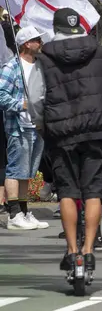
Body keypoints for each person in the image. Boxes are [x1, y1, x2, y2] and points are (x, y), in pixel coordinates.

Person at [27, 8, 102, 274]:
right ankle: (89, 251)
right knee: (94, 191)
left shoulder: (44, 57)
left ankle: (72, 251)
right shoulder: (101, 52)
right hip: (97, 132)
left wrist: (41, 123)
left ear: (55, 28)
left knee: (68, 191)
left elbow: (36, 98)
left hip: (62, 133)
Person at [0, 27, 47, 230]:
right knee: (16, 170)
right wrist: (22, 104)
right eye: (37, 40)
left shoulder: (40, 67)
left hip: (37, 126)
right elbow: (1, 94)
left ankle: (24, 212)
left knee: (27, 172)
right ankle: (13, 214)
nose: (40, 43)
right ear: (27, 43)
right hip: (18, 126)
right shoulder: (12, 67)